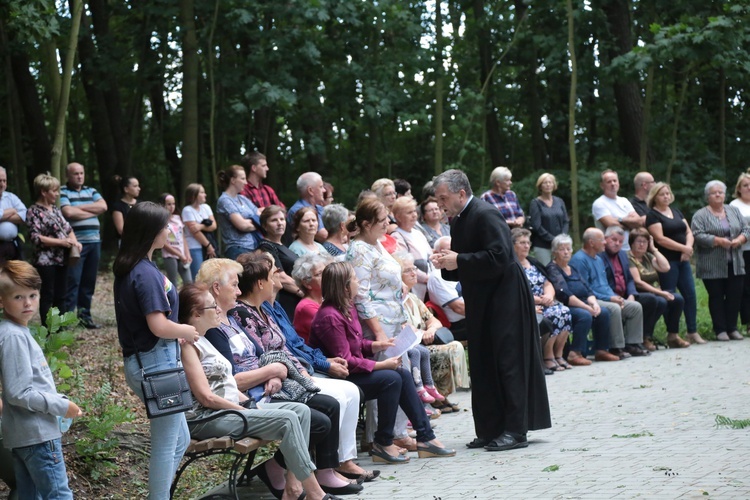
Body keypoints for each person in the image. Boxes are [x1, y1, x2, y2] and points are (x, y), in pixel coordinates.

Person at [195, 259, 360, 495]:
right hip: (248, 399)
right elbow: (230, 380)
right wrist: (272, 372)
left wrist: (276, 374)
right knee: (318, 418)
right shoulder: (212, 330)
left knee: (325, 407)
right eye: (234, 285)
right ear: (216, 289)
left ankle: (298, 480)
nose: (239, 291)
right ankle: (307, 485)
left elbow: (264, 354)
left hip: (267, 386)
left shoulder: (231, 319)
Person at [431, 169, 550, 452]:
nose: (439, 204)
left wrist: (458, 258)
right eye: (437, 199)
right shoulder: (458, 219)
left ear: (461, 193)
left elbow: (499, 257)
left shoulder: (486, 214)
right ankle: (489, 429)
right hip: (481, 297)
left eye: (443, 197)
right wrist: (447, 264)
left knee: (508, 361)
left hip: (505, 297)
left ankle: (515, 430)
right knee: (483, 362)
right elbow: (467, 263)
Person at [309, 262, 456, 463]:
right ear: (344, 287)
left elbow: (356, 343)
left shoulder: (347, 307)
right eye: (354, 278)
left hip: (353, 372)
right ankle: (383, 442)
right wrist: (381, 365)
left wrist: (377, 345)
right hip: (338, 378)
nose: (358, 282)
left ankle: (425, 437)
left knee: (402, 374)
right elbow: (345, 361)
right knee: (390, 378)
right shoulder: (329, 317)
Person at [112, 202, 200, 499]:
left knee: (180, 439)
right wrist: (186, 331)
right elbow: (158, 325)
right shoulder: (144, 274)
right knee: (166, 445)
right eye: (165, 227)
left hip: (155, 361)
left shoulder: (137, 268)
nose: (169, 231)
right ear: (152, 232)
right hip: (155, 364)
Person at [0, 260, 82, 499]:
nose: (27, 303)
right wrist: (62, 406)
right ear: (2, 300)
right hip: (38, 435)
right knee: (58, 495)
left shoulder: (13, 332)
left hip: (24, 436)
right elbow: (18, 393)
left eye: (33, 295)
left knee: (30, 495)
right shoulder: (14, 337)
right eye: (18, 297)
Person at [394, 252, 469, 407]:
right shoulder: (396, 300)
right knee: (446, 350)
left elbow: (434, 320)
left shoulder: (414, 298)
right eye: (407, 270)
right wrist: (421, 333)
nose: (414, 272)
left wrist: (431, 329)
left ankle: (441, 394)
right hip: (410, 345)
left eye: (414, 268)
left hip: (424, 340)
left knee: (454, 346)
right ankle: (432, 396)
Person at [570, 228, 645, 359]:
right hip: (588, 300)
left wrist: (617, 297)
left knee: (635, 307)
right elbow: (585, 289)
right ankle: (615, 347)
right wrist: (610, 299)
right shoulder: (579, 260)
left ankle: (632, 344)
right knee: (614, 308)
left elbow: (604, 285)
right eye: (602, 240)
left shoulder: (598, 259)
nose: (605, 242)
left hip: (605, 297)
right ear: (591, 242)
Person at [644, 182, 703, 344]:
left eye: (668, 193)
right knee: (671, 296)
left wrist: (687, 249)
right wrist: (683, 248)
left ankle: (692, 331)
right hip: (667, 262)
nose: (666, 196)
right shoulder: (653, 216)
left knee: (690, 294)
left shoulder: (675, 211)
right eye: (662, 194)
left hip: (683, 260)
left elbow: (688, 231)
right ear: (654, 197)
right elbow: (660, 239)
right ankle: (672, 333)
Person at [691, 180, 750, 341]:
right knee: (716, 296)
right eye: (714, 192)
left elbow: (746, 228)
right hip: (712, 264)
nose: (718, 195)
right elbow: (697, 234)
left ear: (725, 195)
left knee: (735, 295)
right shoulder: (700, 214)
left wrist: (740, 239)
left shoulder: (734, 210)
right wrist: (718, 240)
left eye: (721, 192)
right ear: (707, 196)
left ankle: (732, 328)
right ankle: (720, 330)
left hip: (736, 262)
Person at [546, 234, 618, 364]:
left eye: (568, 248)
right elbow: (565, 294)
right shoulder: (553, 268)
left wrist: (594, 304)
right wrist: (586, 307)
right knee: (584, 315)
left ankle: (601, 350)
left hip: (582, 302)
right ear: (555, 251)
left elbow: (587, 288)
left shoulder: (572, 268)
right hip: (565, 305)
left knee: (604, 312)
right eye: (562, 249)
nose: (566, 252)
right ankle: (575, 353)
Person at [511, 228, 573, 371]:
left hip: (545, 300)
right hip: (528, 304)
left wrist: (549, 295)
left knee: (564, 311)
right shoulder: (512, 265)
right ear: (513, 244)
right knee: (551, 315)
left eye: (528, 242)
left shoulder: (533, 262)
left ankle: (559, 355)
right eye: (522, 243)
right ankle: (548, 356)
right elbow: (514, 291)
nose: (527, 246)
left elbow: (547, 282)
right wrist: (538, 300)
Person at [27, 173, 82, 322]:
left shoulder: (56, 210)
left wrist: (75, 242)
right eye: (54, 190)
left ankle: (60, 329)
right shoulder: (33, 211)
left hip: (61, 259)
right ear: (43, 192)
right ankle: (48, 331)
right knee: (48, 295)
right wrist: (61, 242)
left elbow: (68, 229)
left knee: (61, 295)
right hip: (45, 261)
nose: (57, 194)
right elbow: (35, 237)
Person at [60, 162, 107, 329]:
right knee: (73, 281)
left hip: (94, 242)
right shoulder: (62, 191)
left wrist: (78, 208)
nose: (79, 176)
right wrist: (91, 210)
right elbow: (68, 212)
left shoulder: (91, 190)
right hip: (76, 244)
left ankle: (84, 317)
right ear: (68, 176)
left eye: (81, 173)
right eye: (75, 174)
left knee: (89, 281)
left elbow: (103, 206)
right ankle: (66, 321)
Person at [600, 226, 661, 355]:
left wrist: (632, 294)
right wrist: (613, 297)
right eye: (614, 240)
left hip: (626, 295)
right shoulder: (600, 256)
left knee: (648, 301)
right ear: (605, 239)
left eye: (620, 241)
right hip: (609, 296)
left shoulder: (622, 255)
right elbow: (602, 283)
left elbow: (629, 279)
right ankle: (617, 346)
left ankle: (634, 343)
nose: (617, 244)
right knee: (633, 305)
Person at [627, 228, 686, 349]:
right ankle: (645, 337)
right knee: (659, 301)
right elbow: (638, 282)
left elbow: (666, 267)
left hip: (654, 292)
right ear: (632, 243)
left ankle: (673, 335)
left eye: (645, 241)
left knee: (678, 299)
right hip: (639, 293)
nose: (642, 244)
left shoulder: (648, 256)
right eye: (639, 241)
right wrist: (661, 293)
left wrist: (654, 249)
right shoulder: (629, 258)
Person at [258, 205, 305, 319]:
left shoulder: (284, 246)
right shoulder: (266, 247)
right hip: (286, 301)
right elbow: (280, 277)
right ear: (265, 226)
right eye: (274, 220)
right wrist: (304, 291)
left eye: (282, 219)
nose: (280, 223)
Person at [390, 197, 433, 301]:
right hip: (417, 290)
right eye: (409, 212)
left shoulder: (418, 233)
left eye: (414, 211)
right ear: (398, 217)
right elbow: (404, 265)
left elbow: (430, 257)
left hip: (431, 287)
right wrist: (428, 279)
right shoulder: (397, 236)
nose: (414, 215)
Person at [427, 238, 468, 343]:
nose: (452, 254)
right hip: (458, 325)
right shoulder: (437, 276)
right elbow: (459, 308)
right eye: (448, 250)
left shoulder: (460, 268)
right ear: (436, 253)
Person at [216, 165, 261, 260]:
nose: (245, 182)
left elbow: (261, 214)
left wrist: (251, 221)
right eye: (243, 179)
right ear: (233, 180)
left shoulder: (243, 199)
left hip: (254, 246)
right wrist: (258, 221)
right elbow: (243, 226)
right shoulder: (225, 200)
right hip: (237, 249)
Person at [592, 169, 641, 250]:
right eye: (609, 182)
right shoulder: (599, 203)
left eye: (615, 181)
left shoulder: (624, 201)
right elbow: (611, 225)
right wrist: (630, 222)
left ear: (618, 183)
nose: (613, 184)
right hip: (609, 250)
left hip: (630, 249)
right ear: (602, 185)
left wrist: (619, 219)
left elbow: (639, 221)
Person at [528, 173, 569, 265]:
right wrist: (553, 239)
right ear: (540, 186)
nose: (548, 185)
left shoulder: (559, 201)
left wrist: (562, 238)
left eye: (550, 182)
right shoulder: (535, 203)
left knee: (561, 271)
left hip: (560, 245)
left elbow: (565, 221)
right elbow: (536, 225)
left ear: (554, 185)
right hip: (543, 246)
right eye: (545, 183)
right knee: (546, 273)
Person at [292, 253, 333, 342]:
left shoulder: (324, 300)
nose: (326, 275)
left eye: (325, 271)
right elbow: (333, 331)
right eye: (319, 274)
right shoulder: (306, 307)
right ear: (307, 283)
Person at [181, 183, 217, 279]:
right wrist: (208, 245)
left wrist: (200, 226)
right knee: (198, 276)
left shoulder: (206, 207)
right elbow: (194, 232)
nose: (205, 195)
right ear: (194, 195)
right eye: (202, 192)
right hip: (194, 247)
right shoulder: (187, 210)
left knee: (211, 276)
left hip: (208, 245)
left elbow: (214, 225)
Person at [730, 171, 750, 335]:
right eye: (745, 185)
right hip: (743, 251)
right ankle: (748, 322)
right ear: (739, 188)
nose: (749, 188)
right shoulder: (734, 205)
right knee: (746, 287)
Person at [157, 193, 192, 286]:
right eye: (168, 204)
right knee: (173, 282)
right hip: (170, 255)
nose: (172, 207)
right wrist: (179, 255)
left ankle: (188, 300)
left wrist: (187, 254)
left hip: (182, 255)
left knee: (189, 282)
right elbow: (163, 243)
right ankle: (172, 300)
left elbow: (182, 237)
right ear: (162, 205)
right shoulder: (160, 220)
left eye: (173, 204)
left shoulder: (177, 218)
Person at [288, 172, 328, 242]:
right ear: (310, 190)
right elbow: (323, 236)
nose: (324, 190)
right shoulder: (298, 210)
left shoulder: (319, 208)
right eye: (321, 187)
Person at [0, 167, 27, 263]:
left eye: (4, 181)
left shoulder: (11, 197)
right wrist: (12, 211)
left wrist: (3, 217)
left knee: (15, 276)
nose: (2, 184)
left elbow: (25, 216)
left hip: (12, 245)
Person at [111, 175, 140, 240]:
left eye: (138, 186)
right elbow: (121, 230)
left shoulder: (141, 204)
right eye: (135, 186)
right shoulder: (118, 207)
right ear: (126, 189)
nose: (139, 189)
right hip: (126, 242)